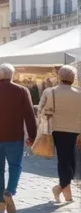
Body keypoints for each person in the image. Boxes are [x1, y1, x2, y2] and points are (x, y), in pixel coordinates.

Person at [0, 64, 38, 213]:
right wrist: (32, 135)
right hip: (15, 136)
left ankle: (0, 202)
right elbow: (30, 116)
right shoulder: (22, 91)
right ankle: (9, 191)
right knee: (15, 166)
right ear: (12, 75)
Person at [37, 65, 80, 202]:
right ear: (73, 78)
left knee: (65, 160)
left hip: (55, 129)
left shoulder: (50, 92)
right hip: (74, 130)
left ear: (59, 77)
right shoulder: (79, 93)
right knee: (69, 160)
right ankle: (64, 191)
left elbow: (40, 111)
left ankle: (62, 189)